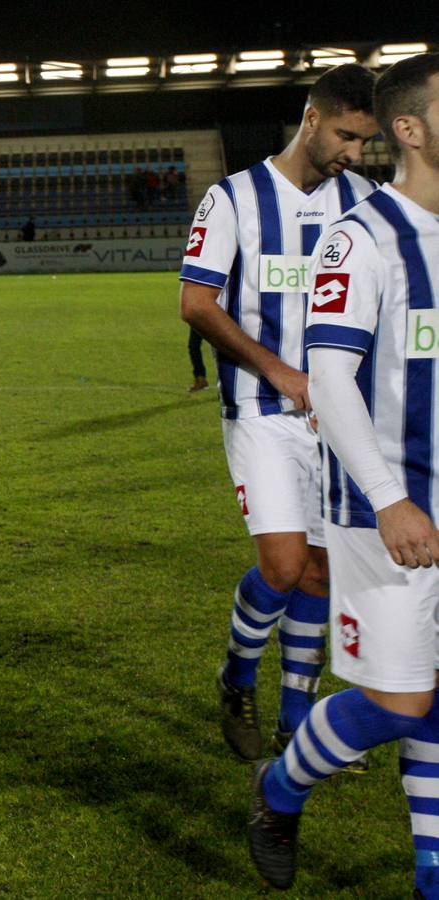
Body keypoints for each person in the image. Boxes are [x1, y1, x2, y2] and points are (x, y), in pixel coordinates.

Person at [247, 52, 439, 894]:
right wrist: (390, 500)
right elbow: (328, 377)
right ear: (411, 129)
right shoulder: (363, 238)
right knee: (399, 706)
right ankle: (282, 786)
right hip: (388, 509)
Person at [178, 63, 379, 763]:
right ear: (313, 118)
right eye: (348, 136)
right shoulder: (233, 199)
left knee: (323, 570)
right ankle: (238, 675)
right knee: (286, 564)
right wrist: (276, 368)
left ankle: (298, 715)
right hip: (260, 408)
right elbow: (196, 304)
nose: (356, 153)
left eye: (366, 141)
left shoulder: (363, 198)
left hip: (340, 419)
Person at [188, 327, 209, 392]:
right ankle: (201, 379)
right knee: (193, 345)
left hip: (214, 319)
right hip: (199, 318)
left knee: (220, 347)